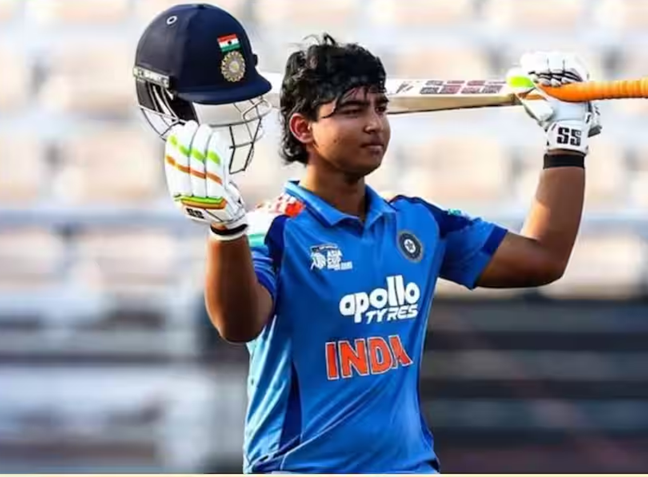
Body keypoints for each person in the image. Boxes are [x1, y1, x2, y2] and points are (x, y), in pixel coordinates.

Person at [134, 3, 601, 474]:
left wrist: (565, 141)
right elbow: (237, 325)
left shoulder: (418, 222)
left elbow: (544, 258)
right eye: (352, 111)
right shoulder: (270, 230)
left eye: (380, 107)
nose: (375, 124)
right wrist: (225, 230)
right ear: (303, 128)